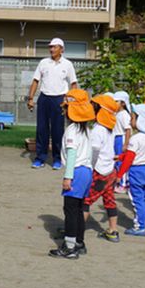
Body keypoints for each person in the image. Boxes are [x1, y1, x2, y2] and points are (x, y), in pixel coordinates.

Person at [49, 89, 94, 259]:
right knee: (79, 208)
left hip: (76, 171)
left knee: (70, 210)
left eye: (66, 108)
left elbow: (72, 153)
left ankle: (69, 246)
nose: (64, 111)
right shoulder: (87, 130)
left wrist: (68, 177)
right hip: (87, 171)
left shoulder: (72, 130)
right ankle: (79, 242)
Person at [26, 38, 79, 170]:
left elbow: (73, 84)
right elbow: (35, 80)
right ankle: (40, 158)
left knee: (57, 130)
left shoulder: (67, 64)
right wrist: (31, 98)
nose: (51, 49)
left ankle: (57, 158)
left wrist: (71, 101)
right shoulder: (44, 62)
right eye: (50, 47)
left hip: (60, 99)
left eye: (54, 47)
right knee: (42, 129)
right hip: (44, 98)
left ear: (61, 49)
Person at [116, 104, 145, 236]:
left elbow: (130, 158)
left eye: (132, 118)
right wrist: (121, 157)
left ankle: (139, 226)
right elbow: (136, 154)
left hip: (136, 171)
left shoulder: (135, 139)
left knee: (137, 199)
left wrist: (120, 174)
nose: (130, 120)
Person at [83, 94, 120, 242]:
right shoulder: (109, 128)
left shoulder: (98, 129)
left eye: (94, 106)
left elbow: (95, 151)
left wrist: (89, 168)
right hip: (110, 170)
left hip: (99, 171)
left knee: (85, 201)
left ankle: (75, 229)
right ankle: (113, 230)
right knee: (109, 200)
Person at [113, 91, 132, 193]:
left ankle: (123, 184)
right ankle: (119, 182)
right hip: (116, 138)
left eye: (116, 101)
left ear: (123, 103)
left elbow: (128, 130)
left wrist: (126, 143)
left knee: (122, 162)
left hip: (121, 138)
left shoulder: (124, 115)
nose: (114, 103)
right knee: (117, 161)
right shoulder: (118, 114)